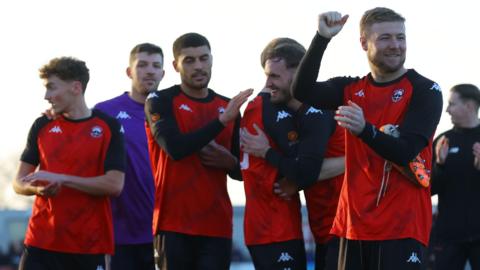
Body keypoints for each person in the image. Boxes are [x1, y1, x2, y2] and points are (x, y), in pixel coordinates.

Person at [292, 8, 443, 270]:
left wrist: (365, 130)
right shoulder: (350, 89)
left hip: (401, 225)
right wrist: (321, 38)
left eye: (400, 37)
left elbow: (406, 151)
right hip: (354, 224)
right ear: (364, 43)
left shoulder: (425, 89)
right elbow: (302, 90)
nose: (395, 45)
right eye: (385, 38)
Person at [144, 32, 252, 270]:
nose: (199, 66)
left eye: (204, 58)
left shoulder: (227, 107)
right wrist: (221, 123)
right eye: (189, 60)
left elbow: (243, 171)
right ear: (175, 66)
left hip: (217, 225)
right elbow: (175, 148)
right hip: (173, 225)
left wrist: (230, 163)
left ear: (212, 60)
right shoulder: (159, 100)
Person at [240, 38, 345, 270]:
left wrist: (267, 153)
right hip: (324, 230)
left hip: (345, 230)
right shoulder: (286, 113)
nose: (267, 85)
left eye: (274, 77)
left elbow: (307, 171)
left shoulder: (320, 111)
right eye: (266, 76)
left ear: (298, 73)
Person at [13, 57, 125, 270]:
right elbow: (18, 183)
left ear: (75, 87)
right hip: (41, 241)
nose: (46, 96)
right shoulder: (42, 124)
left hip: (89, 245)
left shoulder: (108, 126)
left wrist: (62, 179)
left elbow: (114, 185)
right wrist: (34, 188)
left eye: (51, 88)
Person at [94, 43, 164, 270]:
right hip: (118, 233)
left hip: (163, 231)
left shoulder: (172, 110)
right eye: (142, 65)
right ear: (129, 71)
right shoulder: (105, 112)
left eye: (156, 66)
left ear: (163, 73)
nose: (150, 71)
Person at [431, 84, 480, 270]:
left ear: (468, 106)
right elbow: (428, 189)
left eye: (452, 104)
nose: (447, 110)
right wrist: (440, 165)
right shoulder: (442, 141)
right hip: (448, 236)